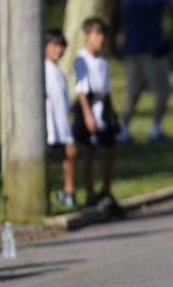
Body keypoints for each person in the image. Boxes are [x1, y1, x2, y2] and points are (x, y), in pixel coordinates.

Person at [117, 0, 173, 143]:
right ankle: (155, 129)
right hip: (153, 48)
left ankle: (124, 130)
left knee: (133, 92)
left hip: (132, 48)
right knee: (162, 90)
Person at [72, 17, 123, 212]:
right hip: (89, 107)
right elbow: (81, 90)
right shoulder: (81, 59)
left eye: (103, 35)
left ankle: (106, 190)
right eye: (97, 34)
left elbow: (106, 88)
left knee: (112, 149)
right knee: (90, 151)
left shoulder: (102, 60)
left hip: (103, 108)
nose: (101, 39)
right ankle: (90, 193)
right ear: (87, 35)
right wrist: (87, 115)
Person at [45, 29, 78, 209]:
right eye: (55, 45)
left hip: (62, 124)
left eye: (62, 46)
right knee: (46, 160)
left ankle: (68, 191)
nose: (59, 50)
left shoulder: (58, 72)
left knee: (70, 153)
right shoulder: (42, 69)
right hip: (50, 125)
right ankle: (43, 194)